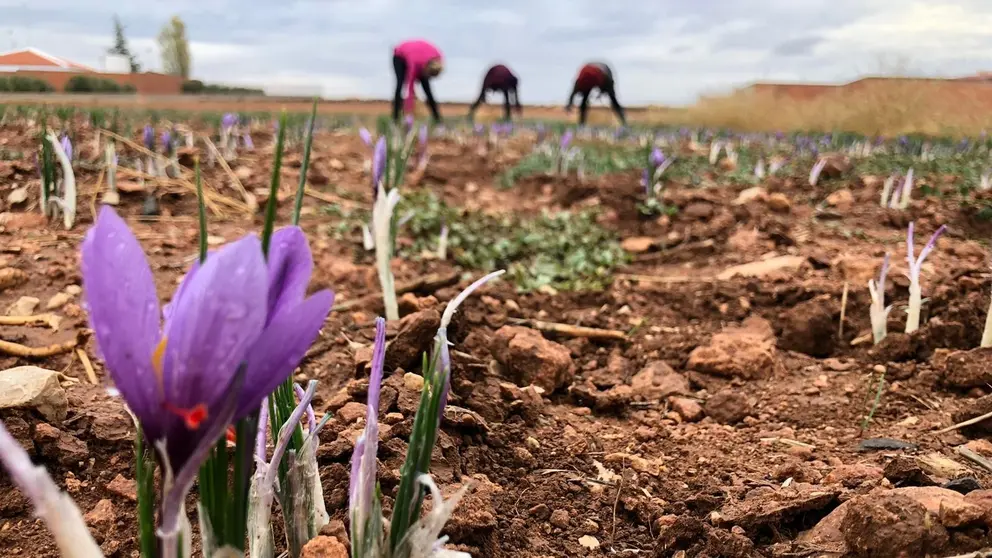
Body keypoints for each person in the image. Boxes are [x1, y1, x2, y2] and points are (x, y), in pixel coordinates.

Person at [392, 39, 444, 123]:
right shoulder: (414, 63)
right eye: (428, 75)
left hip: (421, 60)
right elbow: (410, 88)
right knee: (400, 85)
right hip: (400, 56)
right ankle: (395, 119)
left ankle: (438, 120)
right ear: (426, 70)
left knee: (428, 91)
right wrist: (409, 109)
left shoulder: (438, 58)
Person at [565, 62, 626, 126]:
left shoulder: (603, 77)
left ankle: (624, 122)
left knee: (613, 99)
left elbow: (573, 93)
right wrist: (570, 103)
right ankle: (581, 124)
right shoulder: (582, 81)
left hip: (603, 73)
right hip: (595, 75)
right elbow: (573, 93)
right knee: (585, 101)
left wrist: (569, 104)